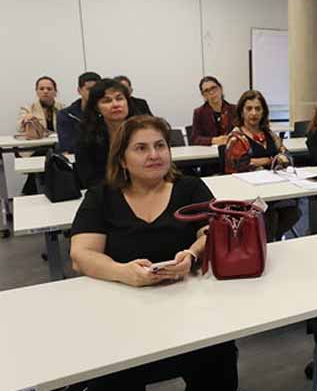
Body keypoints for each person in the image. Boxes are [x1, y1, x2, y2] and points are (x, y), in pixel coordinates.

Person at [69, 115, 238, 390]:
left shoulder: (190, 188)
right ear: (122, 159)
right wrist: (124, 272)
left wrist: (192, 255)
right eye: (141, 148)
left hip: (190, 310)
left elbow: (212, 232)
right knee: (114, 378)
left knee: (218, 365)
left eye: (160, 146)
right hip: (121, 316)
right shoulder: (102, 196)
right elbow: (81, 254)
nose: (154, 155)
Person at [225, 90, 300, 240]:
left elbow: (286, 155)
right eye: (249, 108)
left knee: (294, 211)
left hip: (274, 187)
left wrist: (277, 159)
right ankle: (266, 243)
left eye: (258, 109)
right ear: (241, 111)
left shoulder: (269, 134)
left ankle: (273, 239)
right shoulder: (236, 137)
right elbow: (241, 165)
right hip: (249, 193)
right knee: (269, 214)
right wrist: (271, 160)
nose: (254, 113)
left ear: (263, 111)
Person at [75, 79, 132, 189]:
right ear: (97, 107)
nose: (115, 104)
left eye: (119, 99)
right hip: (105, 193)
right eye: (107, 101)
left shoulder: (142, 129)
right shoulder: (87, 135)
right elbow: (89, 178)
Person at [57, 71, 101, 153]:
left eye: (96, 89)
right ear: (79, 90)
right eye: (89, 89)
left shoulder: (105, 112)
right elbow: (67, 145)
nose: (93, 93)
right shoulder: (66, 115)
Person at [190, 76, 235, 146]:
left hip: (233, 150)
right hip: (211, 153)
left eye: (213, 88)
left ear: (221, 89)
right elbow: (195, 139)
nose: (211, 92)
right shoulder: (199, 113)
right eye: (206, 91)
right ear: (203, 95)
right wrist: (214, 140)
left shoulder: (234, 110)